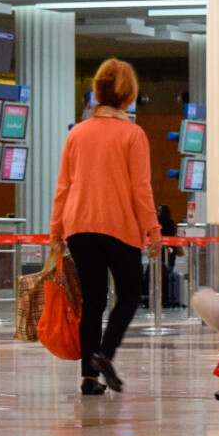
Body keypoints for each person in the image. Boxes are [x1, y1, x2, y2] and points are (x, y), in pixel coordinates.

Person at [49, 59, 161, 395]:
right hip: (120, 228)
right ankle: (103, 354)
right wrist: (153, 230)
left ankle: (89, 377)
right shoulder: (132, 135)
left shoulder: (77, 133)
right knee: (128, 296)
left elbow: (63, 186)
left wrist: (56, 230)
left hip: (80, 227)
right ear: (129, 94)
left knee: (93, 301)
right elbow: (140, 189)